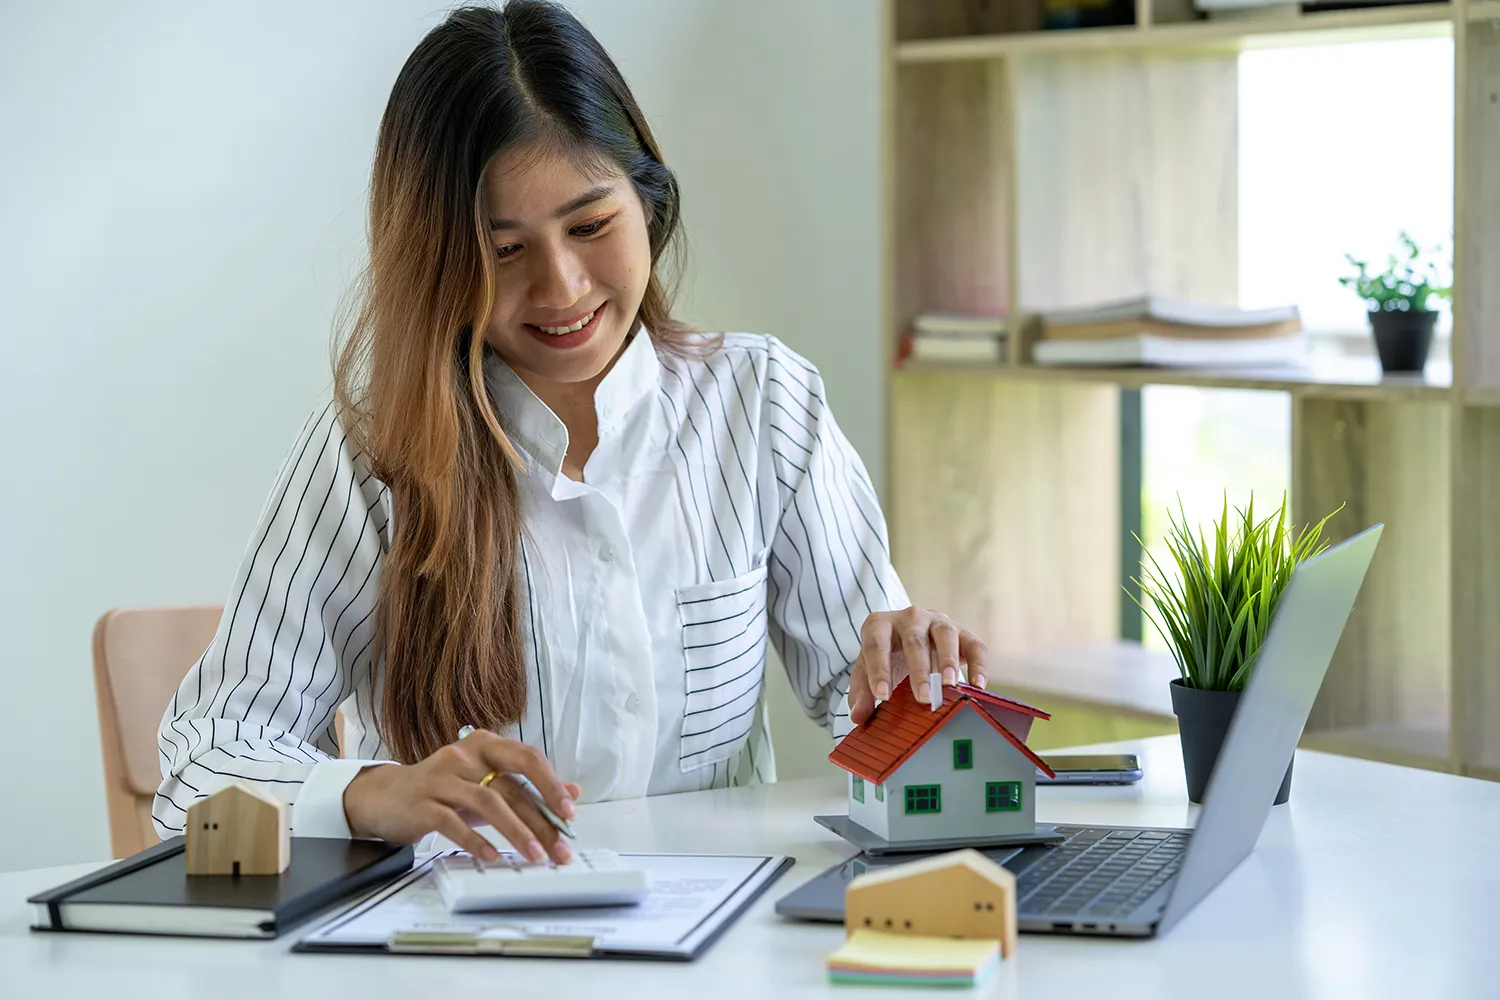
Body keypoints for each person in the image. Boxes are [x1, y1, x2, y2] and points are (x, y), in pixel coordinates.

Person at [155, 0, 990, 866]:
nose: (560, 288)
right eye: (501, 250)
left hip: (718, 945)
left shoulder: (763, 403)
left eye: (591, 226)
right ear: (436, 259)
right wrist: (377, 793)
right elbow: (199, 767)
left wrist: (915, 667)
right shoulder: (372, 452)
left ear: (650, 204)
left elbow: (878, 704)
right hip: (450, 949)